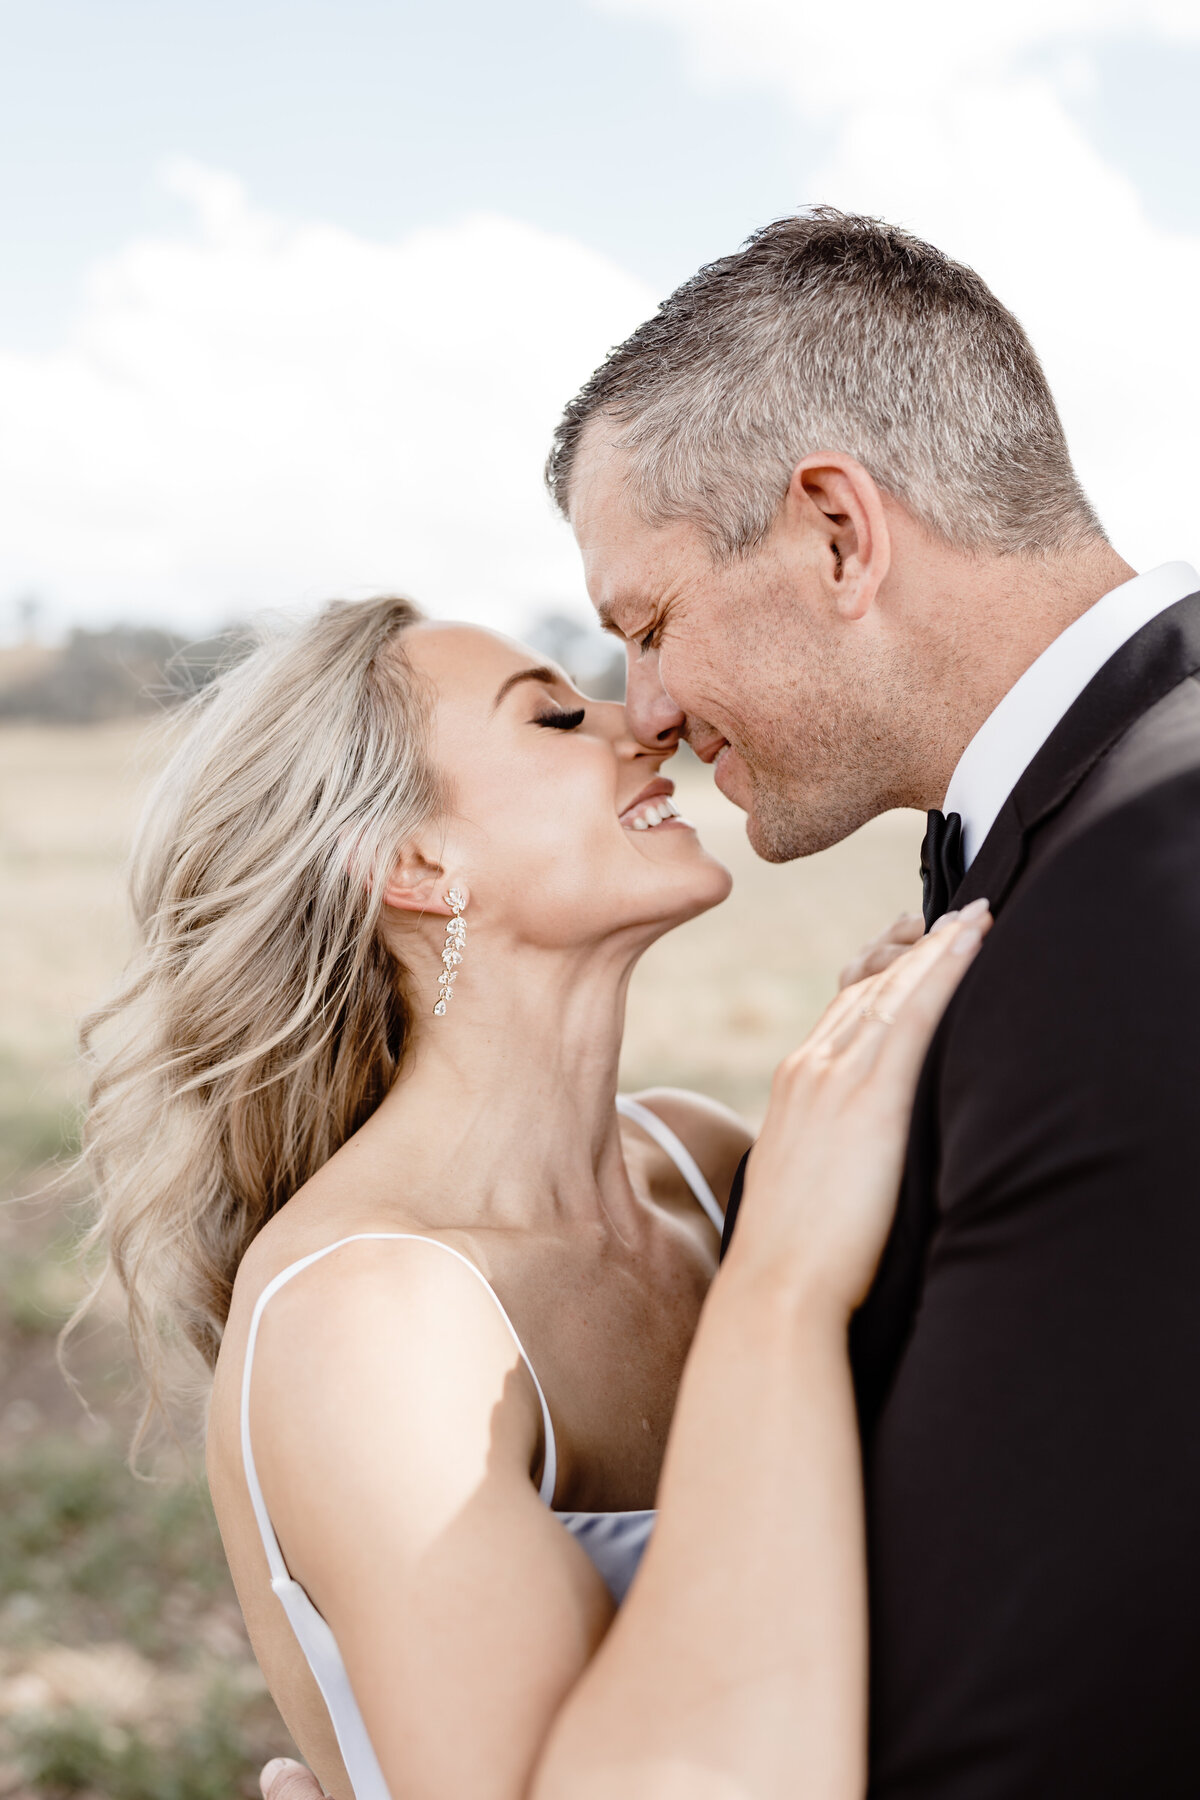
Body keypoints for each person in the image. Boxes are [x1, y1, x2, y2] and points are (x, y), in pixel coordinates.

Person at [82, 593, 987, 1799]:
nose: (643, 723)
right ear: (417, 865)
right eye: (556, 718)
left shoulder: (708, 1170)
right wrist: (785, 1282)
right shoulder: (367, 1320)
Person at [543, 208, 1200, 1794]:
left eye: (650, 626)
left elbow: (1025, 1723)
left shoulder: (1147, 887)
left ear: (837, 532)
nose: (651, 713)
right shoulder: (1089, 824)